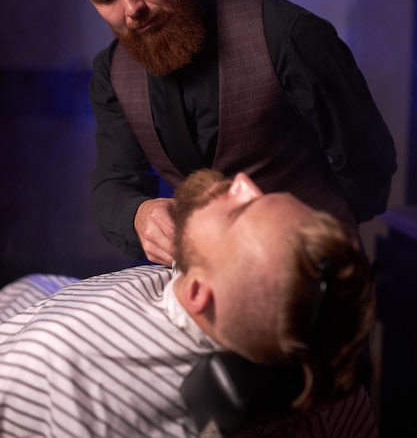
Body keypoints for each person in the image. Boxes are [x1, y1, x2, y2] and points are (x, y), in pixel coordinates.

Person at [57, 0, 397, 265]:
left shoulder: (287, 32)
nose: (132, 8)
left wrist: (323, 235)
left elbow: (369, 162)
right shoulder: (110, 72)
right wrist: (138, 215)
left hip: (317, 280)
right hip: (207, 293)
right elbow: (113, 183)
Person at [0, 170, 377, 437]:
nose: (243, 181)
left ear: (197, 292)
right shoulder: (332, 385)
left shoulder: (56, 357)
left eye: (239, 210)